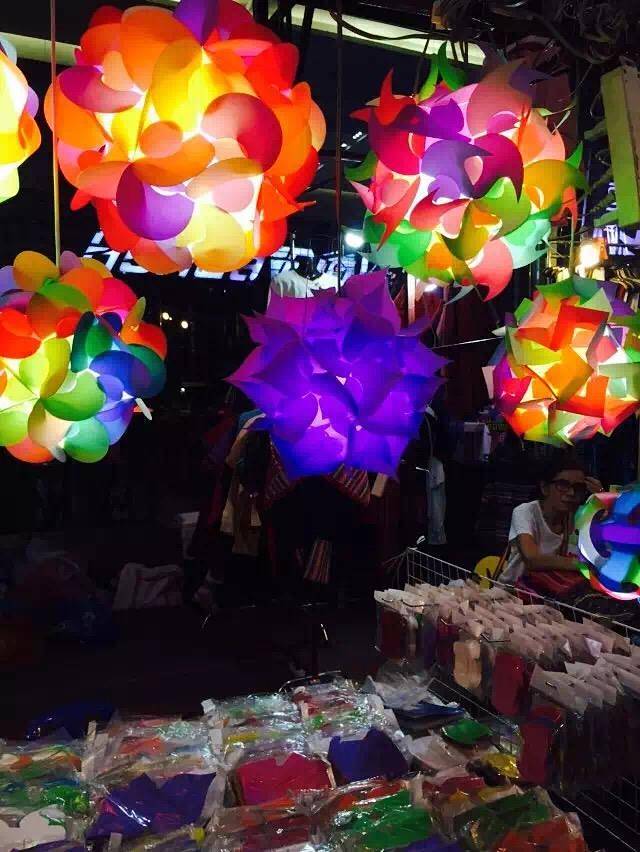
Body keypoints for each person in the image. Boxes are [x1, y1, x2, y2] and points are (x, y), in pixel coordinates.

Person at [500, 455, 602, 589]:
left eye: (578, 488)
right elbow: (532, 559)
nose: (571, 493)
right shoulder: (525, 511)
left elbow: (605, 552)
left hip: (551, 593)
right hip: (512, 591)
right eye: (563, 485)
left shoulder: (579, 517)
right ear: (544, 487)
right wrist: (579, 564)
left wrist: (600, 498)